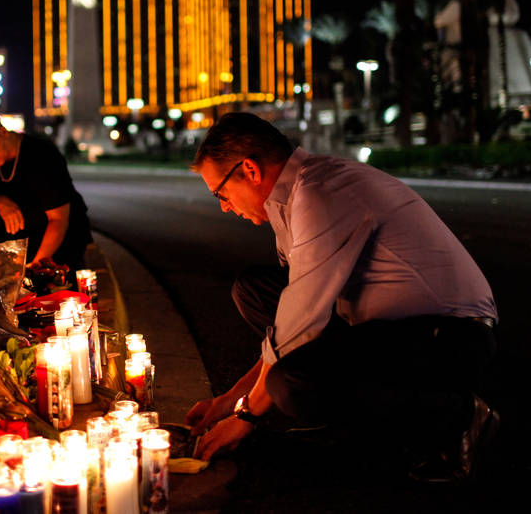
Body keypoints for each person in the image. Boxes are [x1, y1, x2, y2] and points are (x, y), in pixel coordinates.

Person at [185, 112, 499, 482]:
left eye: (220, 193)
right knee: (256, 290)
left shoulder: (321, 192)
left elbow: (299, 326)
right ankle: (357, 420)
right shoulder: (292, 199)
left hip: (447, 337)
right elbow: (290, 325)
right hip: (384, 330)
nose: (224, 206)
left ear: (250, 171)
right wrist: (230, 401)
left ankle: (456, 414)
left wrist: (245, 417)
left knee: (291, 383)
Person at [0, 112, 91, 268]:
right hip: (22, 223)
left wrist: (35, 267)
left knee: (57, 264)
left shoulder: (42, 155)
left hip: (61, 227)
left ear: (3, 132)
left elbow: (58, 221)